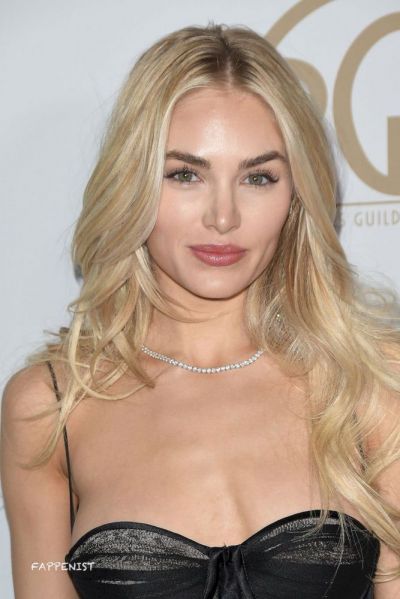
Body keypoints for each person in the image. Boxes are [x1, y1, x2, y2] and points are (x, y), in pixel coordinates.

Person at [1, 22, 400, 599]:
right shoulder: (52, 408)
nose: (223, 217)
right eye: (185, 174)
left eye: (258, 177)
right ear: (133, 184)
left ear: (295, 198)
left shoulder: (371, 381)